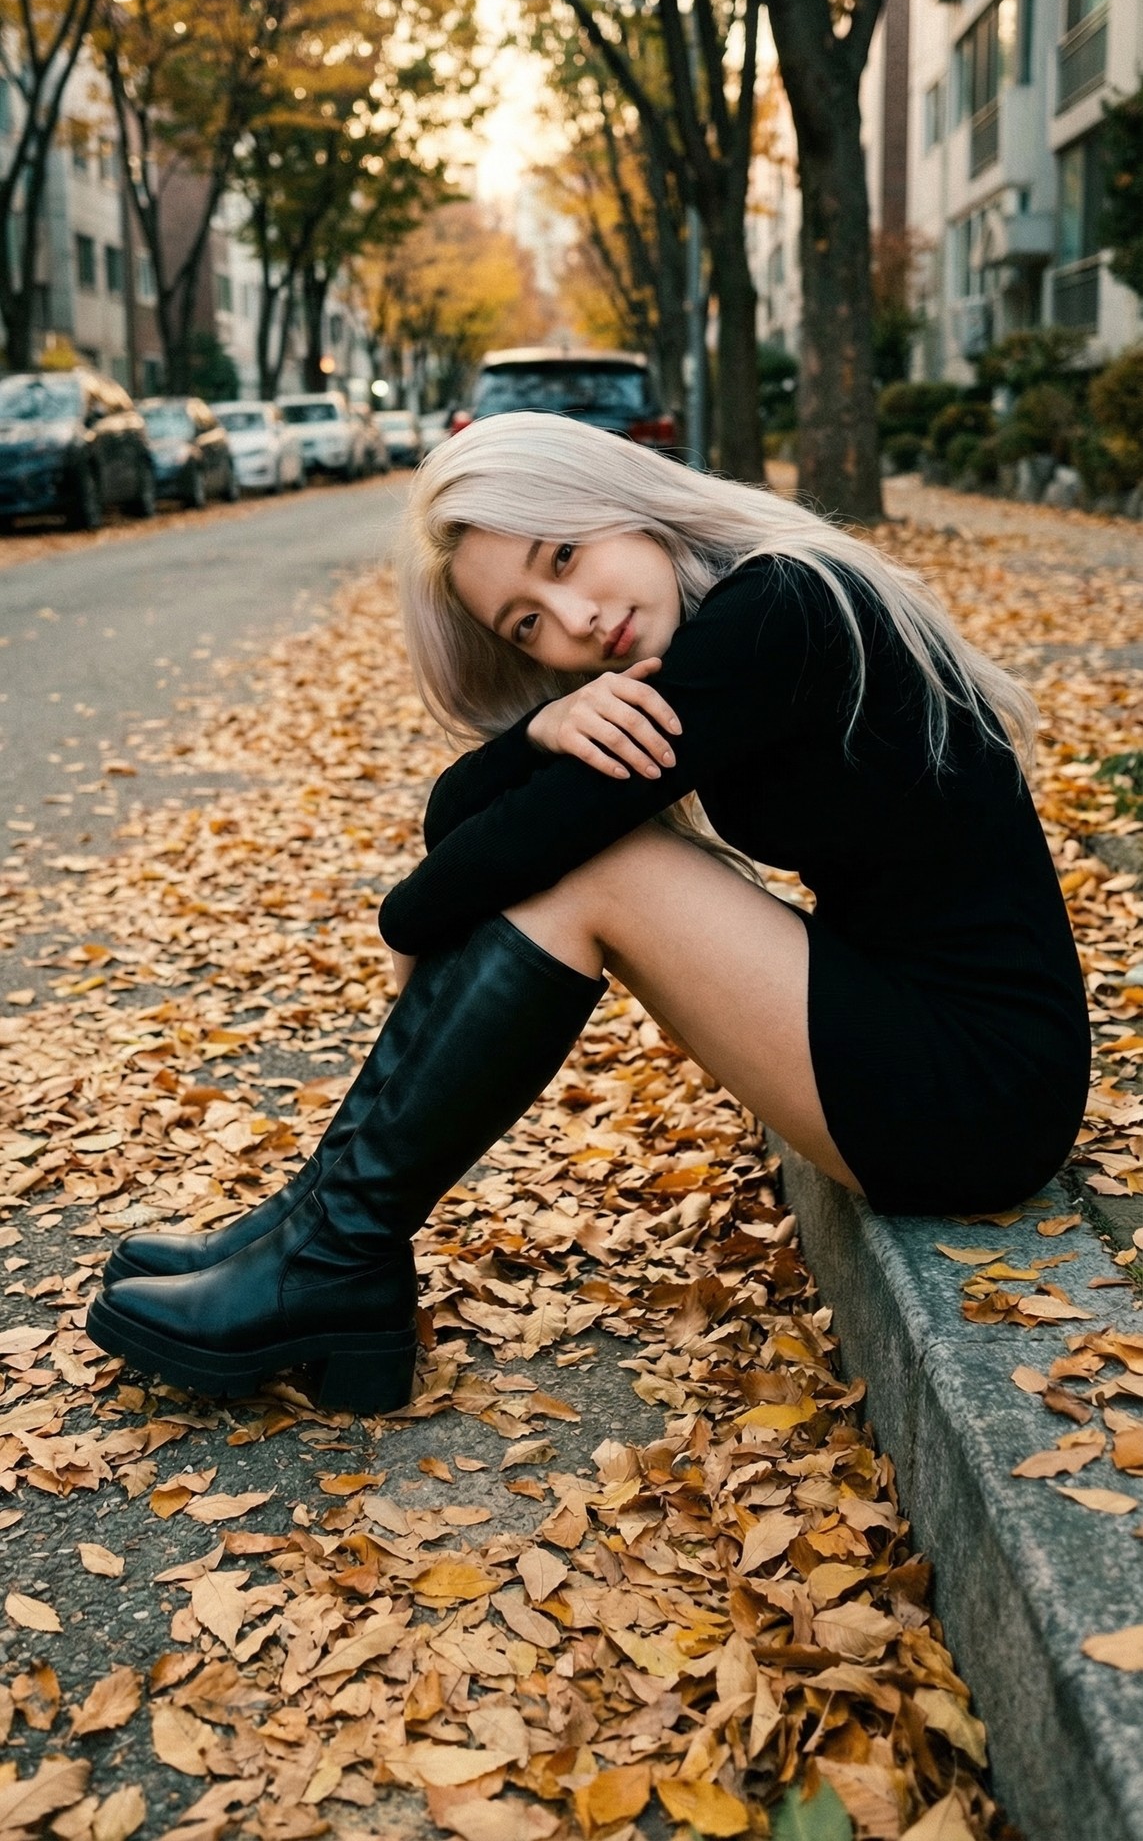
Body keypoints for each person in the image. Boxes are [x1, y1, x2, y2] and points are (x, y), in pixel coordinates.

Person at [88, 413, 1091, 1413]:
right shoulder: (717, 625)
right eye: (526, 622)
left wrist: (406, 922)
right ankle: (308, 1232)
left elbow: (491, 861)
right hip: (919, 1034)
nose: (573, 618)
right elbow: (462, 817)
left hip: (979, 1087)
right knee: (583, 848)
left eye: (563, 555)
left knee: (598, 864)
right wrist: (545, 731)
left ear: (621, 502)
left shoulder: (781, 607)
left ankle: (331, 1248)